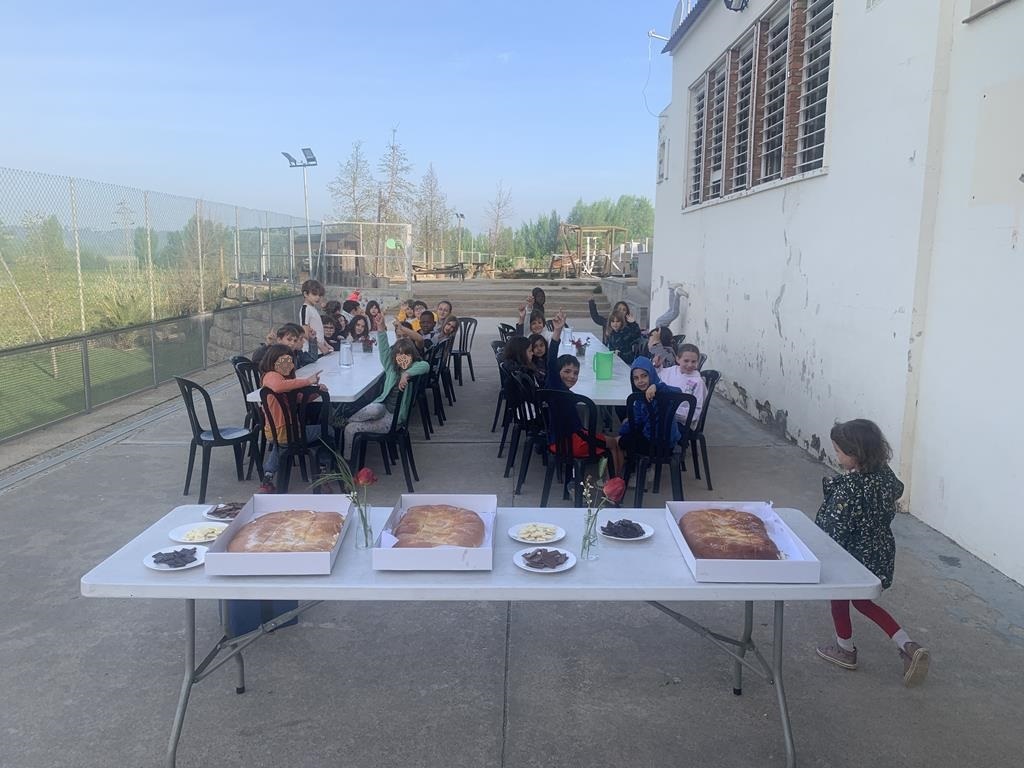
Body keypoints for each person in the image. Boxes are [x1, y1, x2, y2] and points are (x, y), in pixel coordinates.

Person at [815, 419, 930, 687]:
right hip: (879, 551)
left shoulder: (850, 488)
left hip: (851, 555)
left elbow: (832, 527)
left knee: (839, 596)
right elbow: (898, 489)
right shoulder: (884, 475)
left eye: (839, 451)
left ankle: (845, 649)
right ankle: (907, 645)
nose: (837, 456)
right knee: (864, 602)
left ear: (856, 454)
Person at [340, 313, 429, 460]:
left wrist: (407, 374)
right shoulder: (391, 367)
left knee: (350, 429)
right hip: (383, 407)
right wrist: (381, 327)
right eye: (399, 355)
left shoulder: (414, 368)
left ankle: (347, 462)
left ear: (412, 356)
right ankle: (346, 421)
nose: (402, 359)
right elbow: (383, 349)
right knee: (374, 408)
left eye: (406, 356)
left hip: (394, 419)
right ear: (394, 357)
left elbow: (425, 365)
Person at [546, 310, 616, 472]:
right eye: (567, 371)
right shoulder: (555, 386)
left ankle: (611, 478)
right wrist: (557, 332)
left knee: (614, 441)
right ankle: (615, 481)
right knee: (614, 443)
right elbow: (551, 362)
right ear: (557, 372)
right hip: (571, 442)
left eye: (575, 373)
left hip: (559, 440)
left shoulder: (558, 389)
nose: (571, 376)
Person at [257, 344, 327, 493]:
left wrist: (316, 392)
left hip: (277, 433)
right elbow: (278, 386)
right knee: (328, 431)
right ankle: (323, 470)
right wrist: (307, 381)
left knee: (282, 446)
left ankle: (268, 476)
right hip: (285, 430)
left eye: (290, 361)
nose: (288, 365)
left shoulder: (284, 382)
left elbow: (299, 398)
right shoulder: (271, 376)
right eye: (284, 361)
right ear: (273, 360)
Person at [605, 356, 683, 475]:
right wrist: (624, 429)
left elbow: (678, 391)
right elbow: (636, 421)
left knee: (617, 442)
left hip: (658, 445)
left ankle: (619, 477)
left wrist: (657, 386)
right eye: (636, 378)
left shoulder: (661, 392)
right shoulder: (639, 398)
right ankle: (635, 469)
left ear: (651, 374)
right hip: (664, 443)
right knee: (626, 431)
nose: (640, 381)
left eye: (644, 376)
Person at [659, 343, 707, 428]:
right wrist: (656, 366)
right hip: (663, 416)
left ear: (698, 362)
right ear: (678, 359)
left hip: (681, 423)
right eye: (686, 361)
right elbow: (655, 378)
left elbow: (696, 411)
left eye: (693, 361)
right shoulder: (670, 371)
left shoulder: (698, 382)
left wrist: (672, 410)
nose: (690, 365)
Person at [299, 279, 331, 355]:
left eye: (319, 295)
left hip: (319, 350)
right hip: (310, 352)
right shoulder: (305, 309)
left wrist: (325, 344)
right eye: (314, 294)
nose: (318, 297)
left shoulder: (312, 308)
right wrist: (320, 346)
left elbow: (318, 330)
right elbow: (305, 332)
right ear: (305, 294)